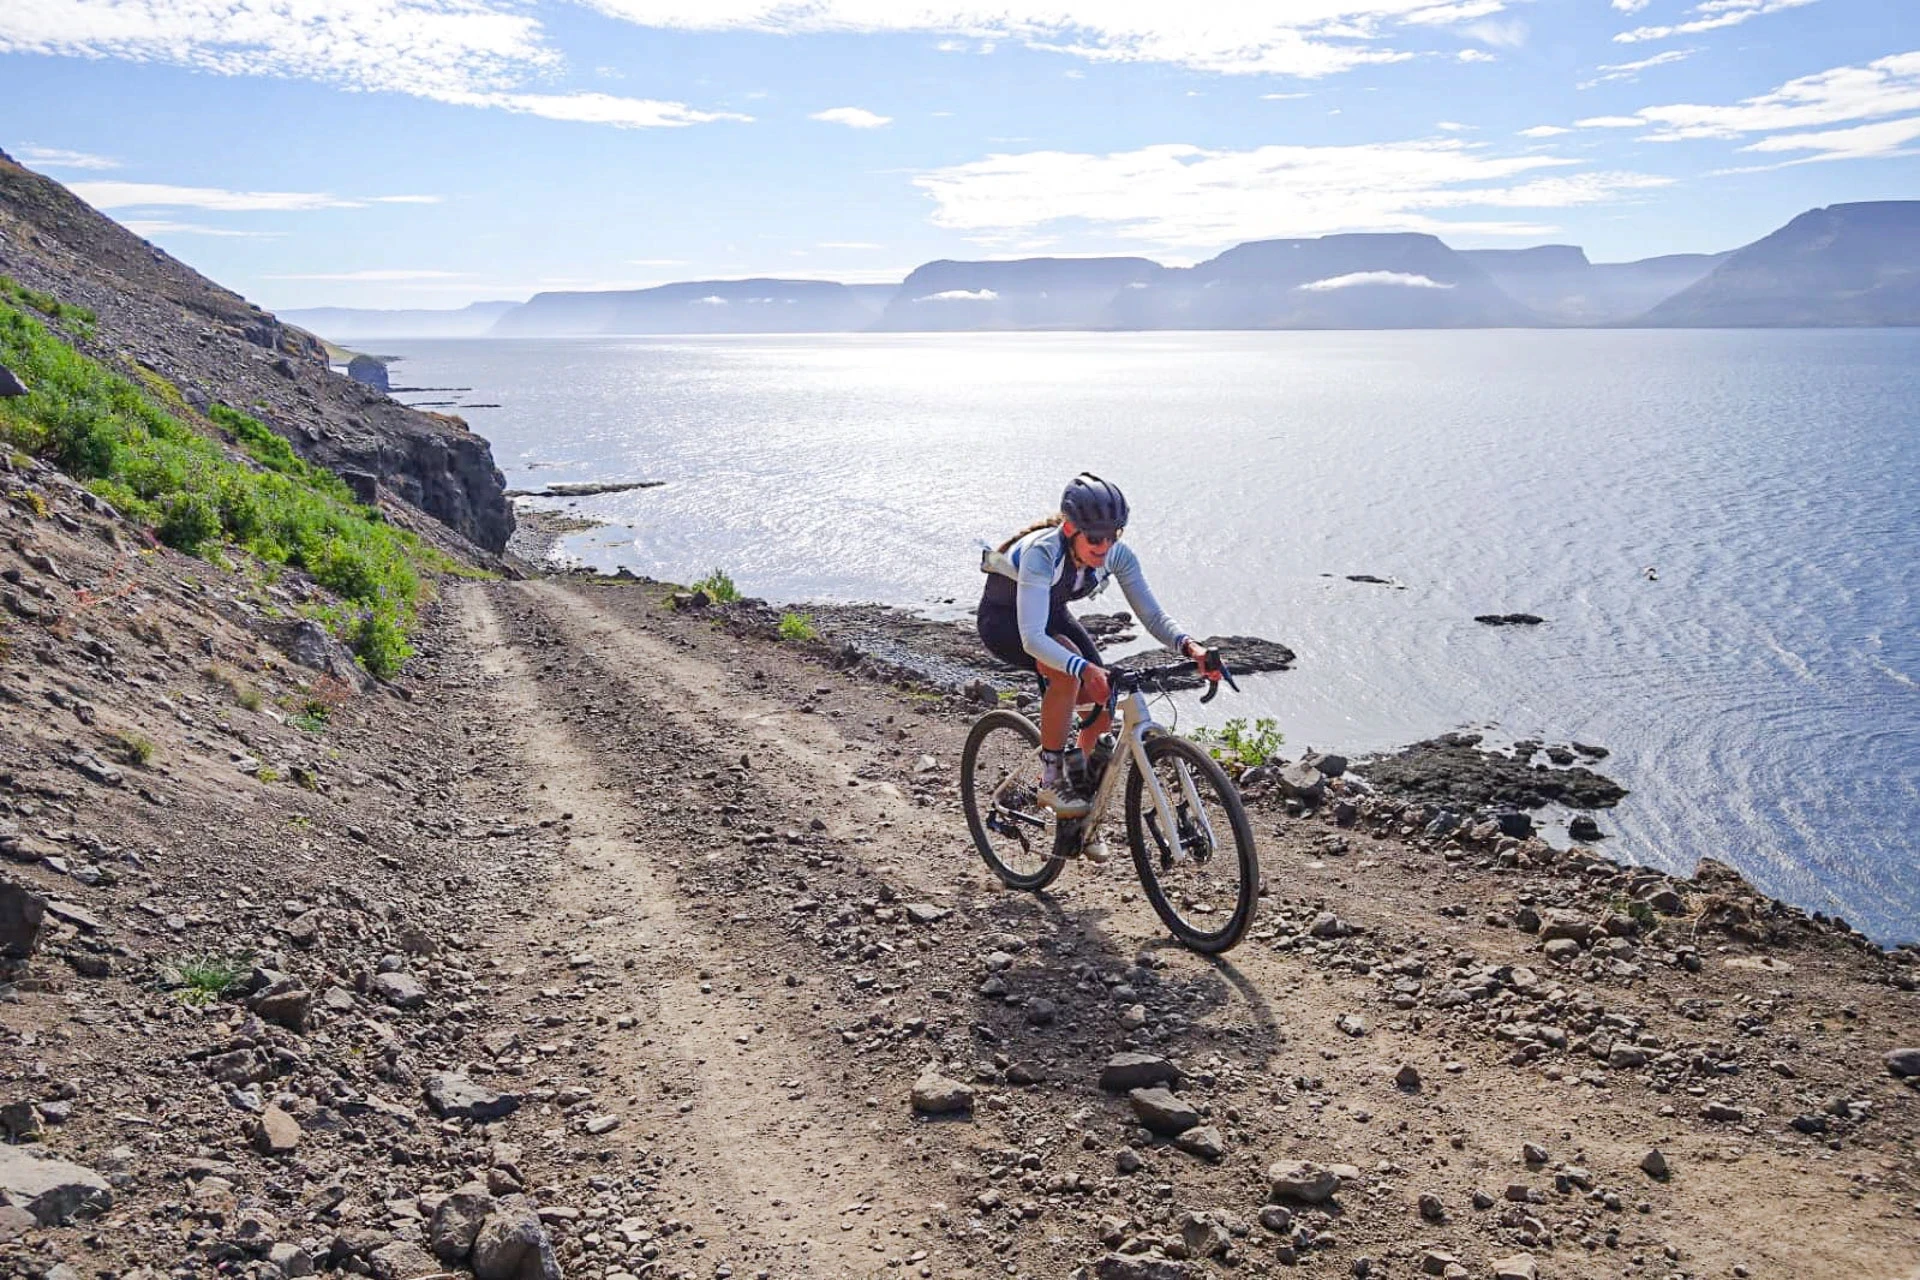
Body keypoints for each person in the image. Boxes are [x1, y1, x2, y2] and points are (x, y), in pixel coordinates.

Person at [977, 473, 1216, 817]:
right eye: (1095, 539)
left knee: (1105, 699)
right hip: (1004, 623)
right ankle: (1051, 780)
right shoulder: (1042, 553)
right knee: (1069, 673)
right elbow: (1032, 638)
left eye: (1113, 536)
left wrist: (1191, 648)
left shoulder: (1117, 556)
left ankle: (1074, 816)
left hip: (1051, 615)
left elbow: (1150, 614)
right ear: (1071, 530)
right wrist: (1084, 669)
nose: (1104, 547)